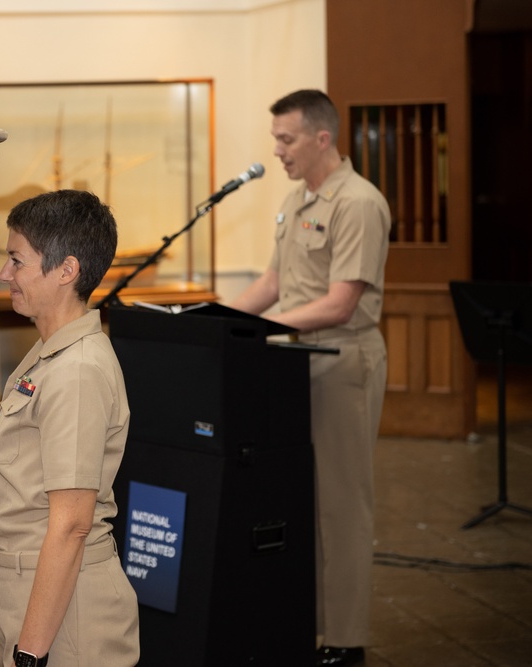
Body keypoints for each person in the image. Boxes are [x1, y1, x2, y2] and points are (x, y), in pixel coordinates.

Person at [229, 89, 390, 667]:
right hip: (295, 362)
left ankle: (345, 641)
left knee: (342, 505)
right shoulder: (298, 200)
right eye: (276, 139)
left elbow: (341, 303)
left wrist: (262, 329)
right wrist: (217, 321)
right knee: (303, 501)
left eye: (286, 139)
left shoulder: (359, 203)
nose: (277, 150)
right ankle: (310, 624)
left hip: (341, 360)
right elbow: (274, 282)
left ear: (322, 138)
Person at [0, 190, 140, 667]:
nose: (5, 274)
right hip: (34, 593)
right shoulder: (50, 352)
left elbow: (70, 525)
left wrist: (29, 652)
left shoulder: (76, 370)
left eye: (16, 260)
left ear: (66, 270)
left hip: (66, 614)